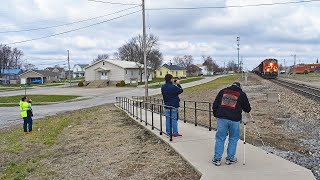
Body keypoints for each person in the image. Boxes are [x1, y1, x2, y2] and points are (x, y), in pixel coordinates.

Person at [212, 82, 251, 166]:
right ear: (239, 87)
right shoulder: (241, 94)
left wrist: (216, 114)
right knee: (233, 138)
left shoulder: (223, 91)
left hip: (222, 118)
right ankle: (230, 158)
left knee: (220, 138)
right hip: (234, 120)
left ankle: (217, 159)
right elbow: (247, 108)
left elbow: (215, 104)